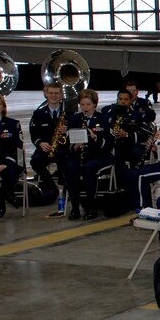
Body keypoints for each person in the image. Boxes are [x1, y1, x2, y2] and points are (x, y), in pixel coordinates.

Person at [63, 89, 114, 221]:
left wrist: (95, 138)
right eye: (82, 105)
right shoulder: (74, 119)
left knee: (89, 168)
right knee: (70, 167)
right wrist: (75, 146)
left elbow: (109, 144)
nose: (85, 108)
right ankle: (75, 207)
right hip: (80, 154)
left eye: (88, 105)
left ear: (95, 105)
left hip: (100, 155)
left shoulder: (104, 119)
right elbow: (67, 143)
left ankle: (91, 207)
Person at [29, 82, 67, 194]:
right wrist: (40, 143)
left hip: (63, 148)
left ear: (61, 95)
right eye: (51, 93)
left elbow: (78, 131)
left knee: (66, 159)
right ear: (46, 94)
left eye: (56, 93)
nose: (54, 96)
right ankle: (50, 185)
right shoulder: (38, 113)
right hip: (46, 147)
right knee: (35, 161)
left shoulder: (69, 113)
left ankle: (65, 184)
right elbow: (34, 134)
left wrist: (67, 130)